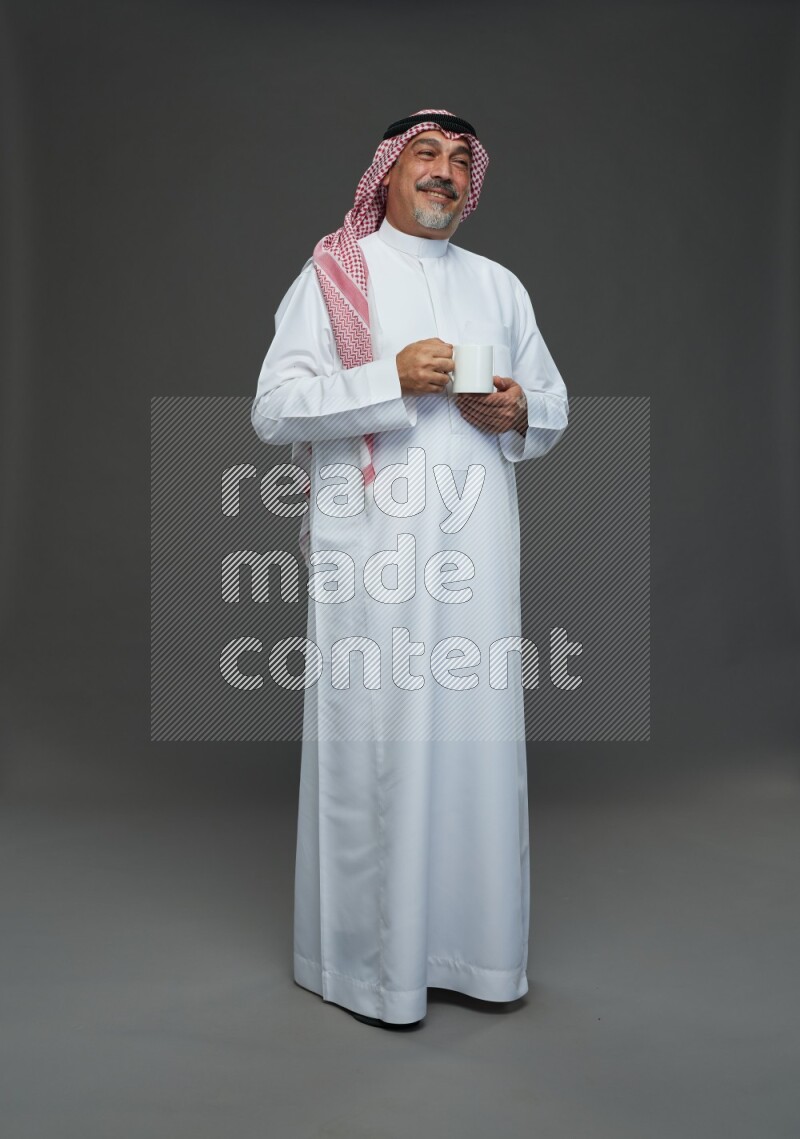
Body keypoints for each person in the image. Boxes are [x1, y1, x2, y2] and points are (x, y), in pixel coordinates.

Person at [251, 109, 569, 1029]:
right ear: (386, 174)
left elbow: (551, 400)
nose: (443, 172)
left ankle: (477, 955)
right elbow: (275, 409)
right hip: (373, 567)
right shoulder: (335, 276)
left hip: (474, 564)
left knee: (474, 748)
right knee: (378, 747)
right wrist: (389, 376)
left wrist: (519, 413)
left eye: (459, 162)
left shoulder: (499, 287)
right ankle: (367, 966)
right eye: (424, 155)